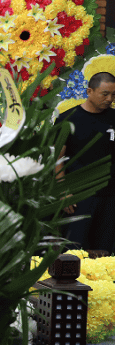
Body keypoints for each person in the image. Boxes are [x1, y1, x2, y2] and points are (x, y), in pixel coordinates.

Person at [58, 71, 115, 251]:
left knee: (105, 252)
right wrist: (63, 191)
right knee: (75, 251)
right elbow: (56, 160)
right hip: (79, 196)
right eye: (105, 94)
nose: (109, 99)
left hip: (110, 197)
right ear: (89, 91)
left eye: (113, 95)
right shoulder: (68, 119)